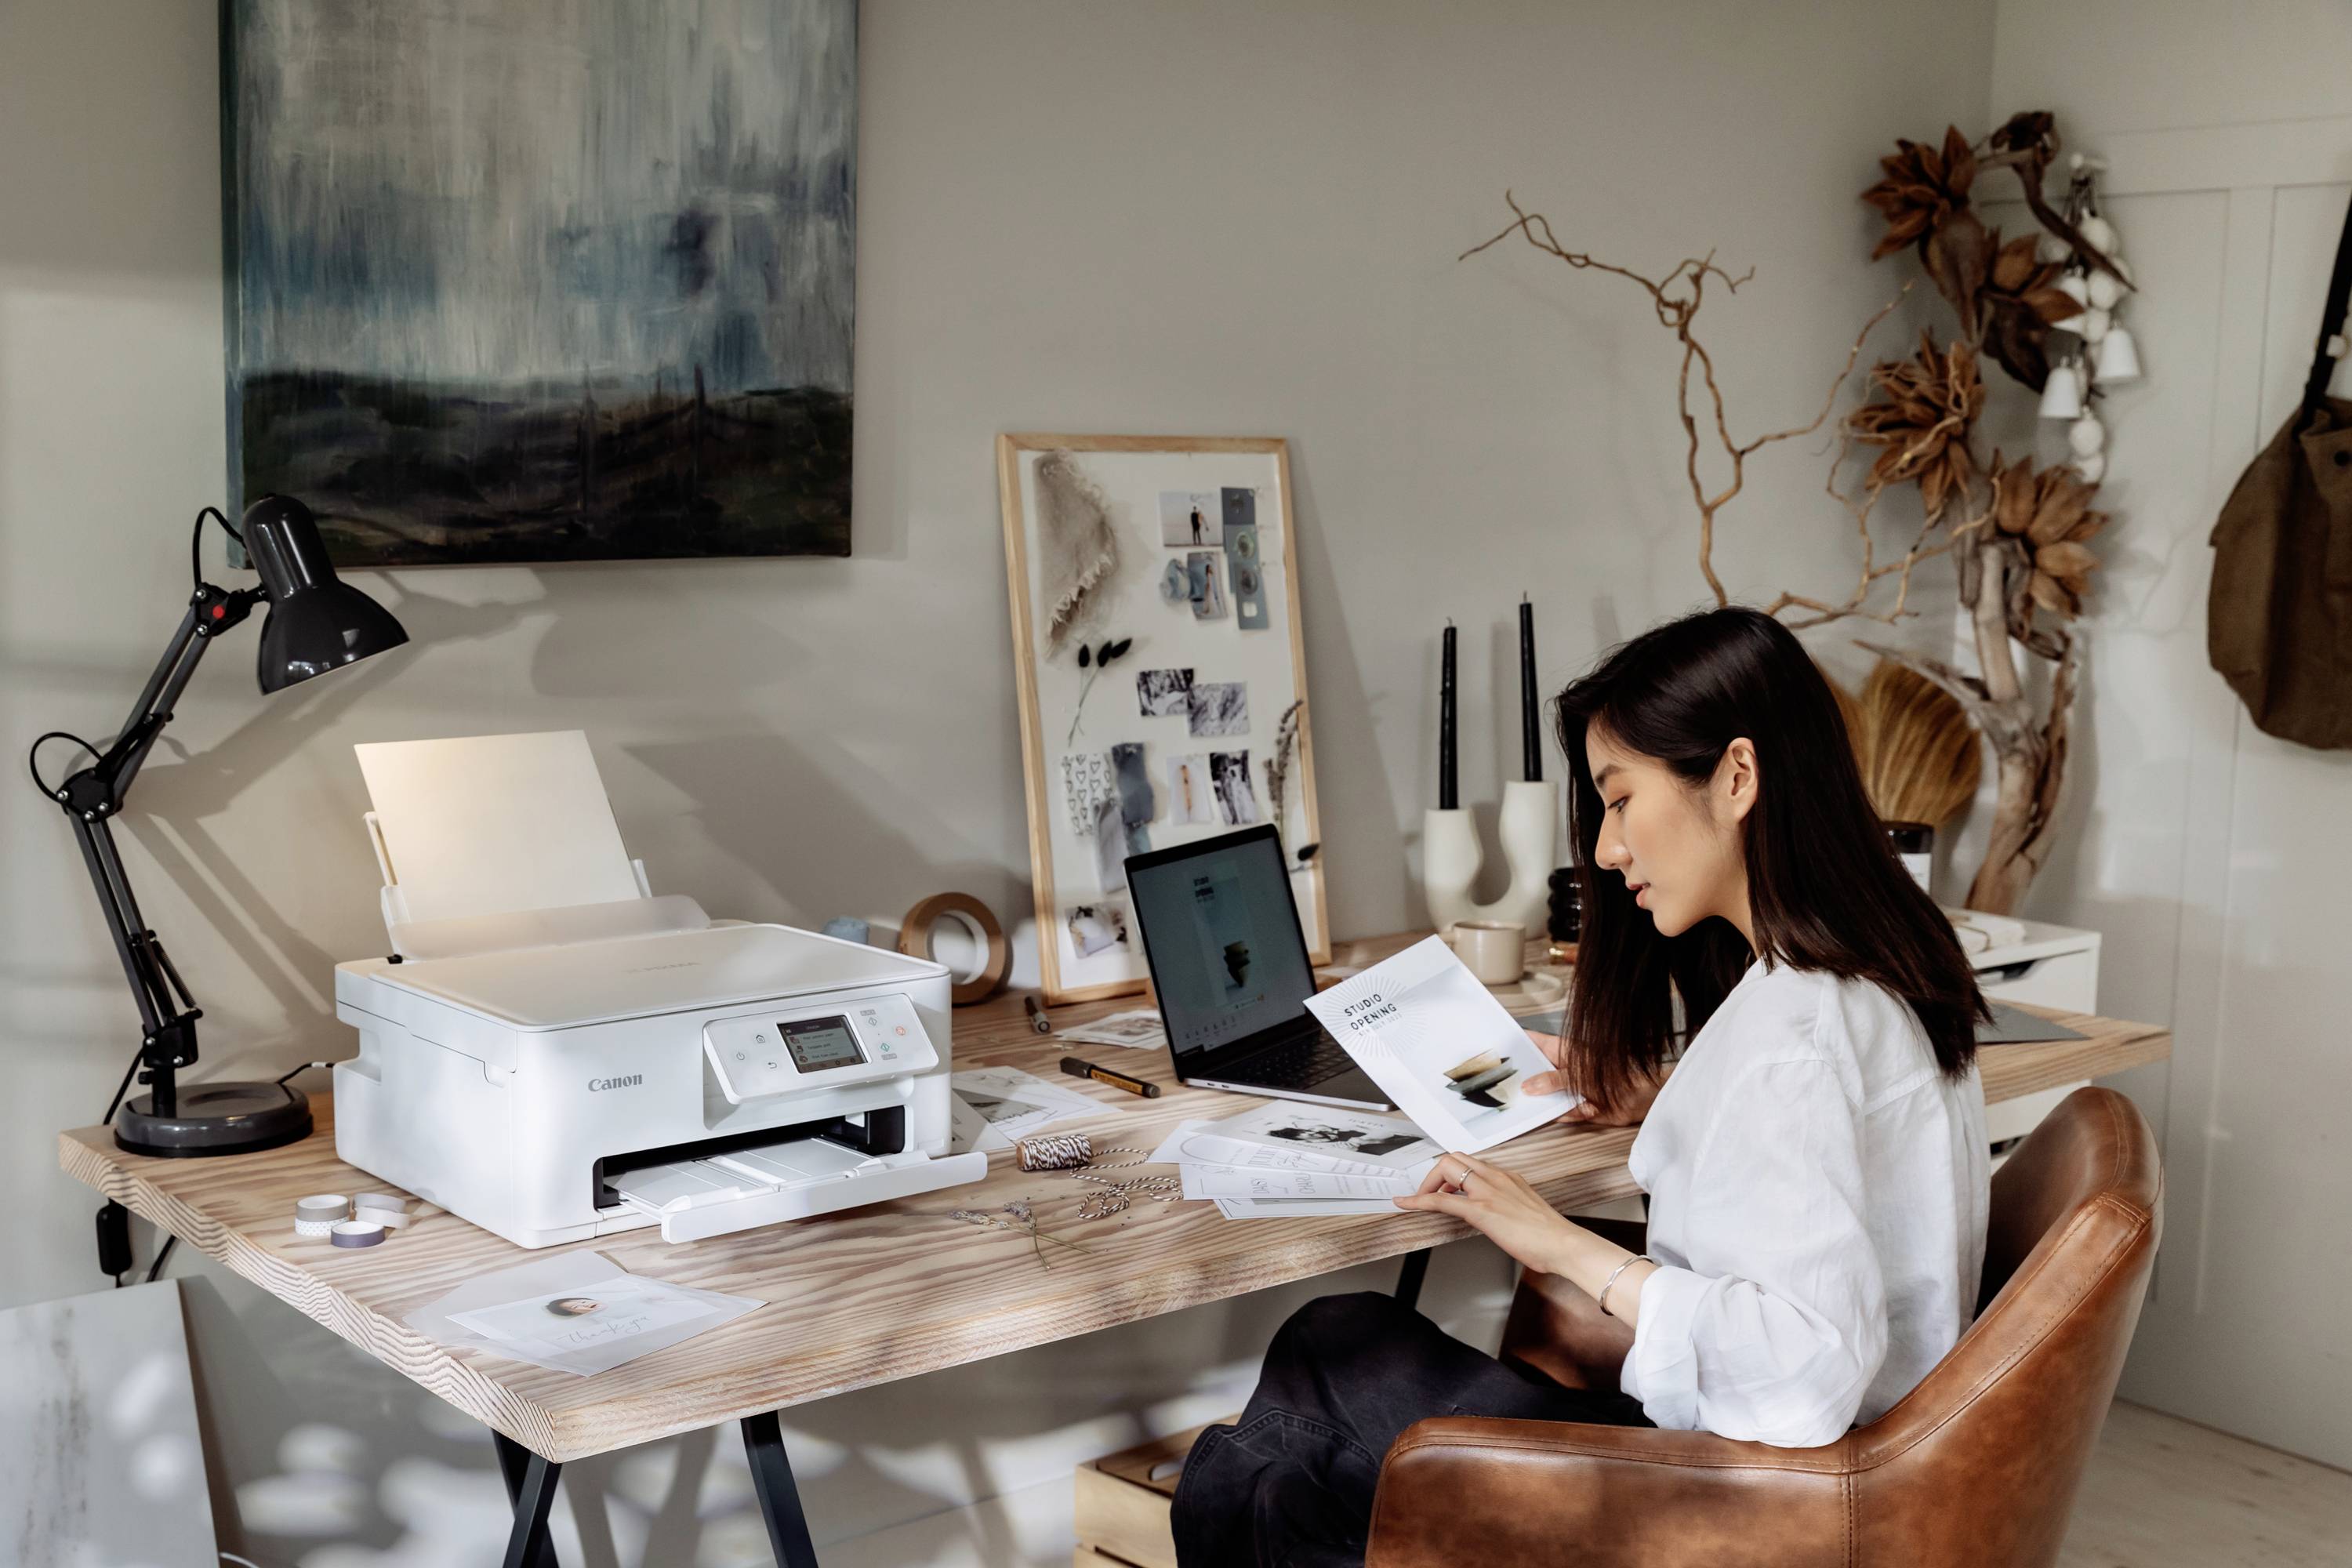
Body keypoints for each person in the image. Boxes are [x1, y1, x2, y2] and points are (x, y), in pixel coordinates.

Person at [1172, 607, 1991, 1568]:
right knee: (1324, 1353)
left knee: (1255, 1459)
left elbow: (1803, 1377)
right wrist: (1669, 1094)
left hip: (1756, 1505)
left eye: (1619, 798)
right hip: (1840, 1474)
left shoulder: (1794, 1035)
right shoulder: (1874, 961)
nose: (1605, 849)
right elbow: (1813, 1161)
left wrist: (1561, 1242)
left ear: (1736, 776)